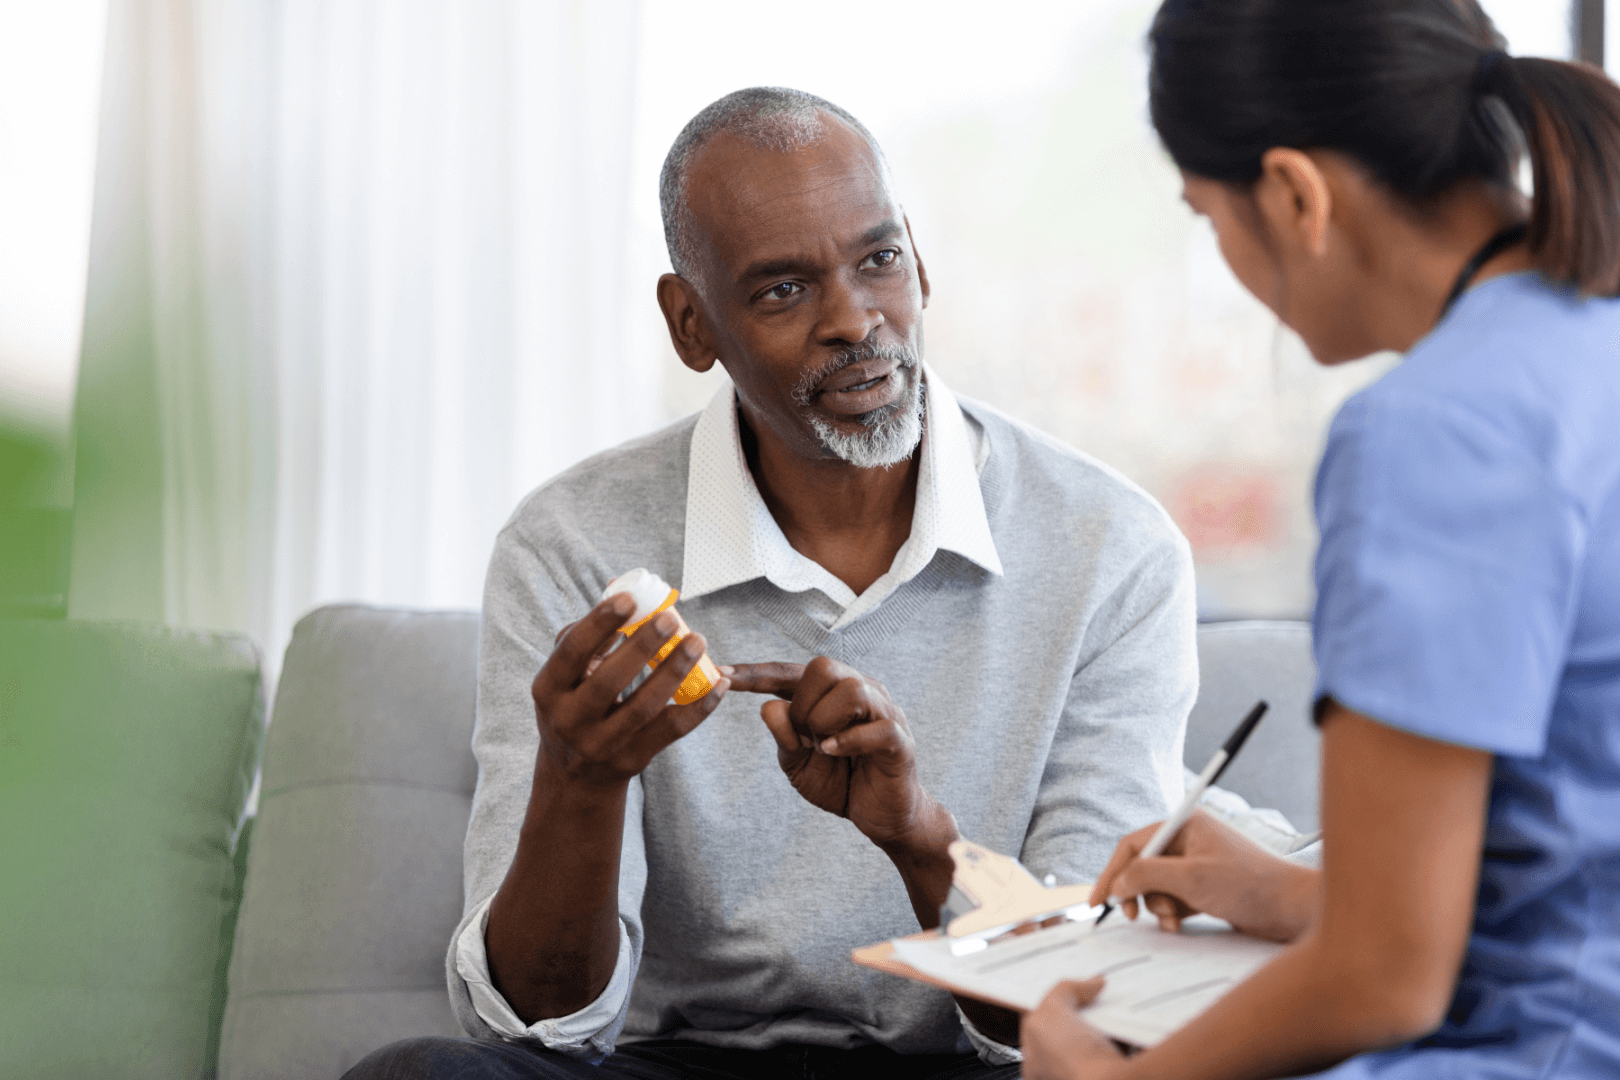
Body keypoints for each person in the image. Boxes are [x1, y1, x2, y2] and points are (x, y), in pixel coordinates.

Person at [345, 87, 1197, 1080]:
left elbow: (1087, 1012)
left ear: (919, 258)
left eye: (878, 260)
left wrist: (924, 842)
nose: (853, 320)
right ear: (691, 324)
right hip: (679, 1064)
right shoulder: (572, 545)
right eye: (783, 290)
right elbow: (538, 1027)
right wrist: (582, 779)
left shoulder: (1111, 547)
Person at [1020, 2, 1620, 1078]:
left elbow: (1388, 979)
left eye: (1209, 217)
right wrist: (1285, 893)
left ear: (1295, 194)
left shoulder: (1433, 433)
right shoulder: (1588, 342)